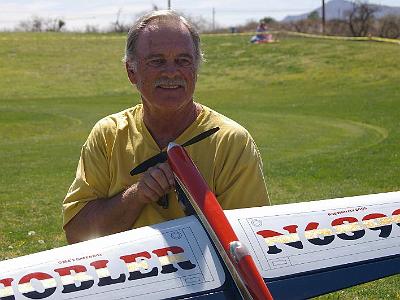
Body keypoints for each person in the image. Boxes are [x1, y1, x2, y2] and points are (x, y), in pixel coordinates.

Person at [63, 10, 270, 244]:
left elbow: (252, 241)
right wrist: (137, 195)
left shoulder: (231, 142)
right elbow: (77, 235)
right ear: (131, 72)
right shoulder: (108, 135)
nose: (171, 72)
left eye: (183, 61)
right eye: (157, 61)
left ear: (195, 70)